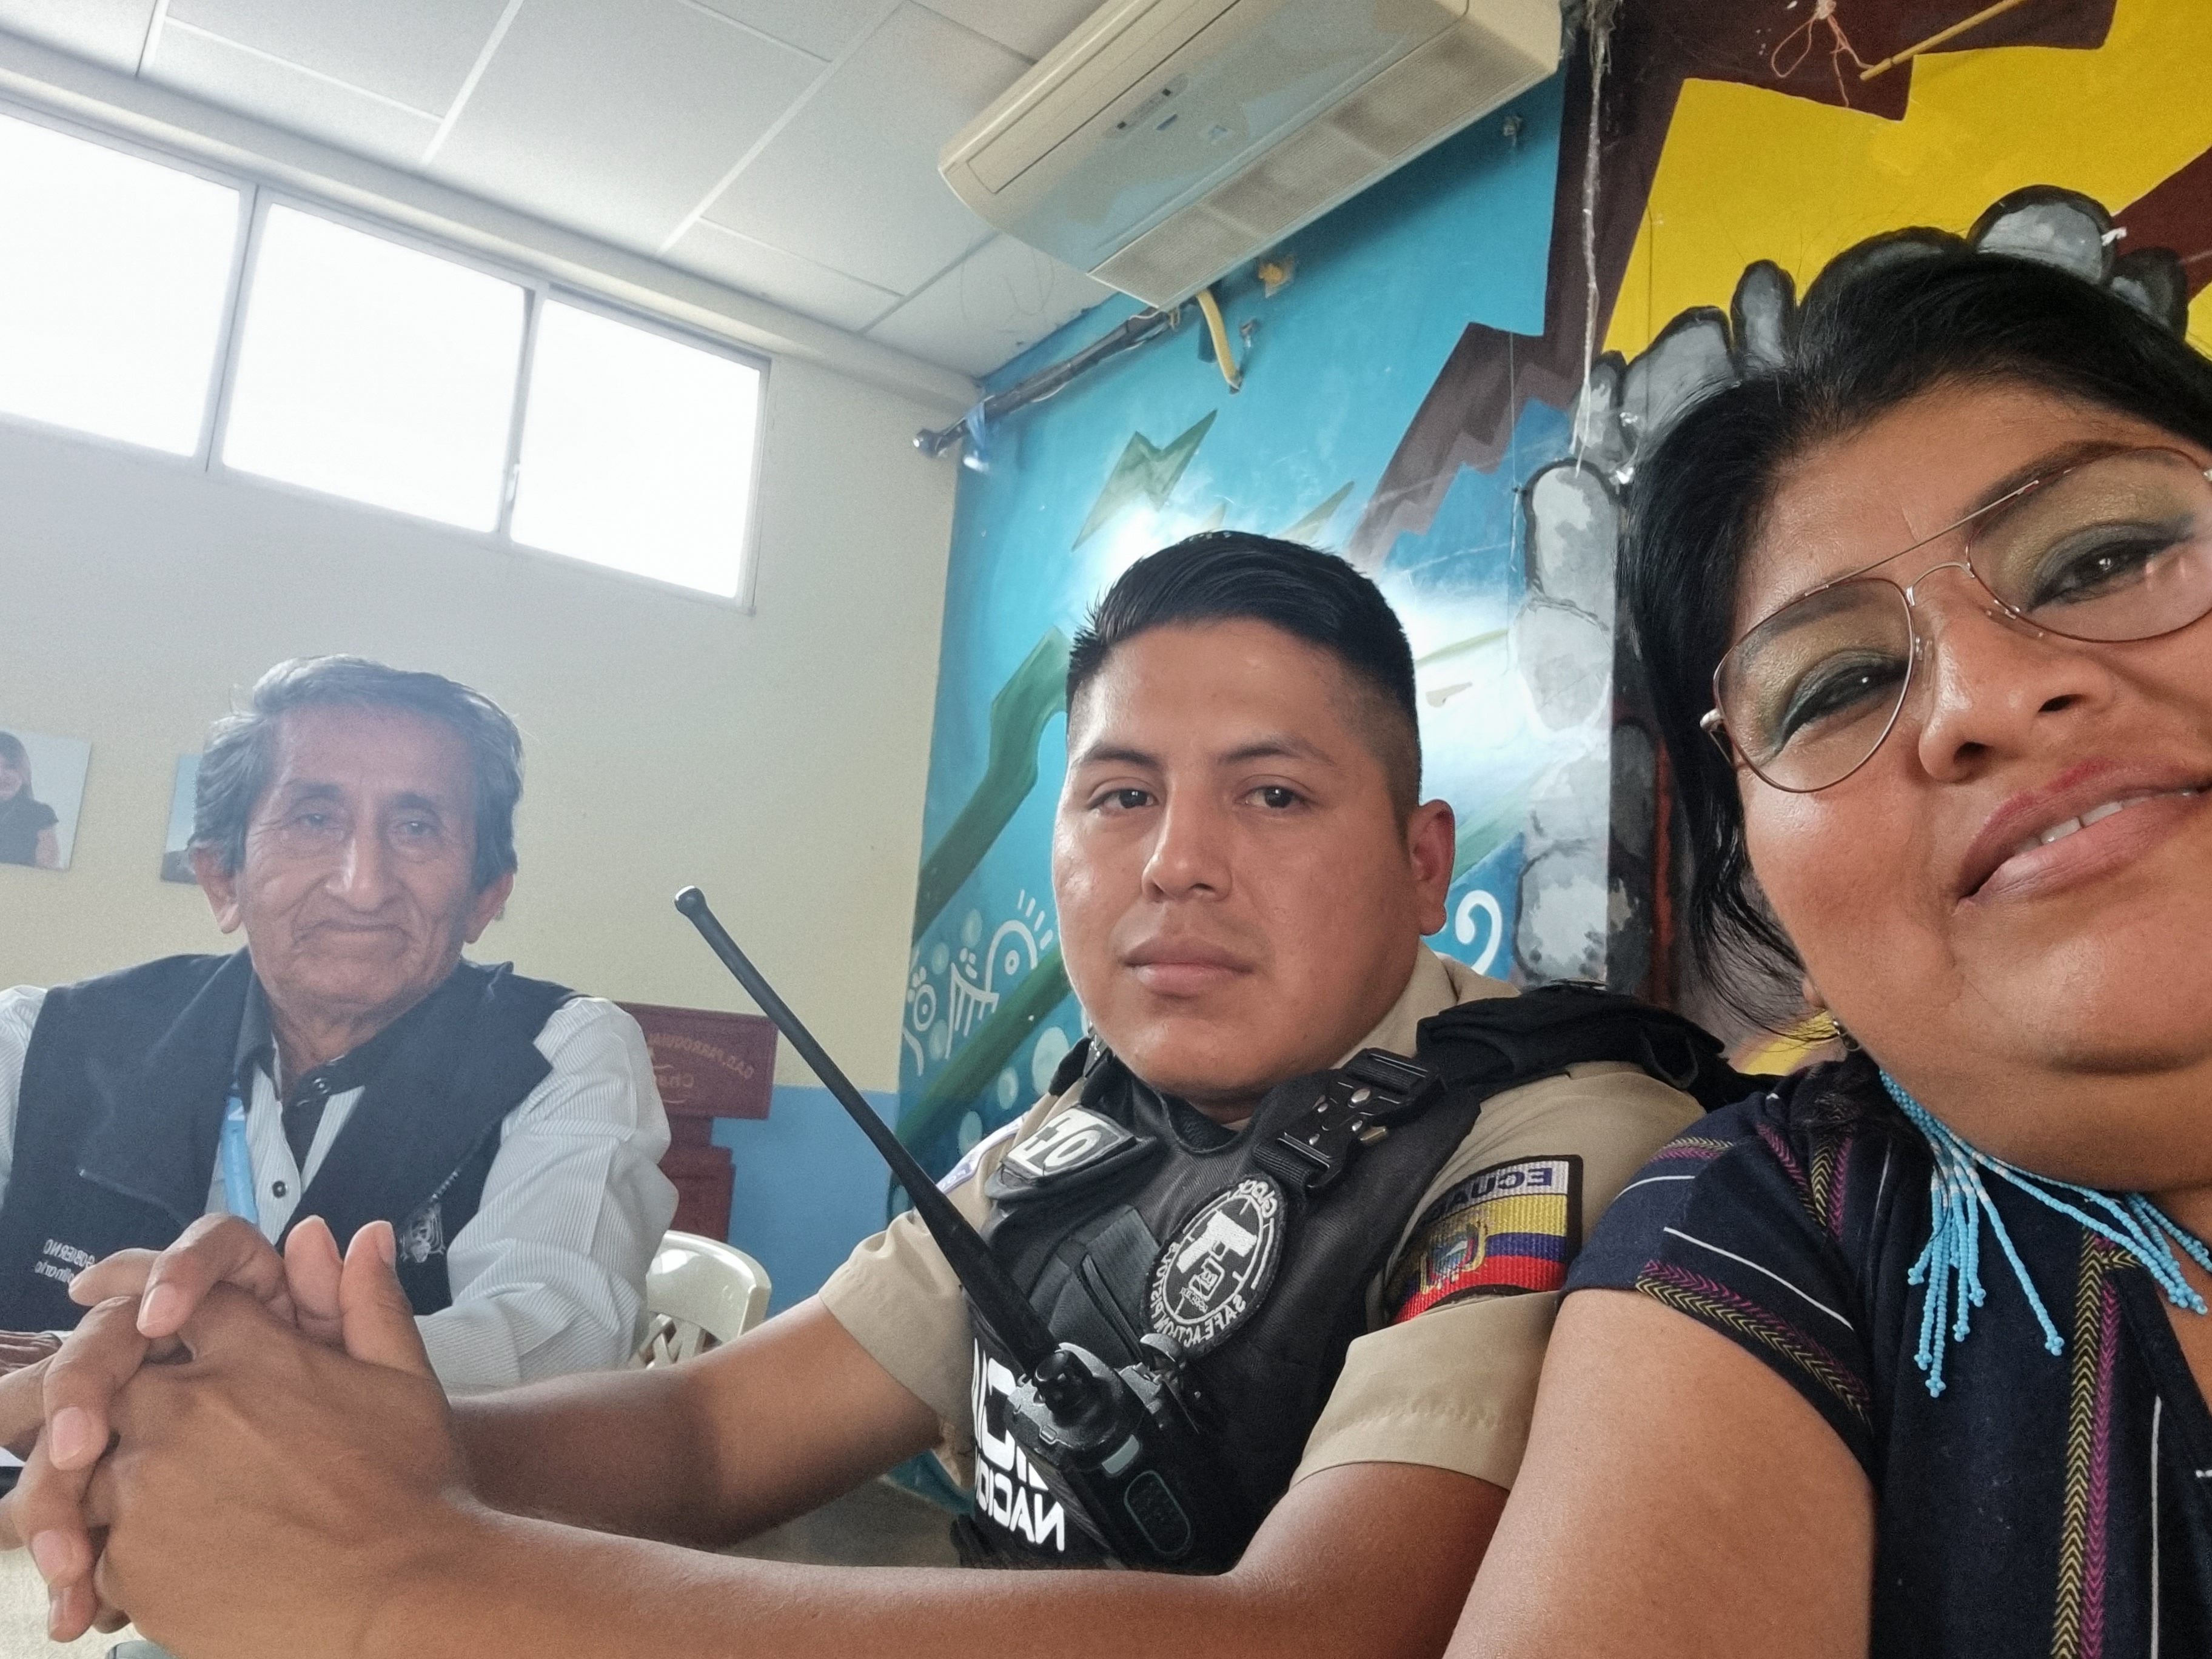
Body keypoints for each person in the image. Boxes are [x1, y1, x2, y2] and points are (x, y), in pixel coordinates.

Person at [1, 537, 1712, 1657]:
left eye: (1272, 794)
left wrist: (406, 1576)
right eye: (1119, 796)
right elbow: (713, 1429)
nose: (1175, 863)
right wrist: (345, 1433)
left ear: (1422, 862)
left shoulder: (1557, 1138)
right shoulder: (1082, 1130)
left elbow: (1325, 1632)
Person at [1450, 249, 2212, 1656]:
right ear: (1777, 906)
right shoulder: (1764, 1237)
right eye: (1841, 683)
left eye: (2100, 558)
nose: (1985, 698)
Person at [0, 657, 675, 1395]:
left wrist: (227, 1358)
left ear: (485, 898)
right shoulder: (36, 1042)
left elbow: (557, 1346)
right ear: (222, 879)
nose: (363, 886)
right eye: (314, 820)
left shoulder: (561, 1053)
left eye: (416, 827)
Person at [0, 733, 60, 870]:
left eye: (10, 766)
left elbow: (47, 867)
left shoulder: (40, 814)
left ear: (24, 770)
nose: (2, 776)